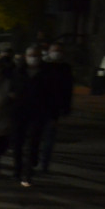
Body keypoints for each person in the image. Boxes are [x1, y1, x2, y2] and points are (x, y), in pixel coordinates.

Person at [11, 45, 51, 187]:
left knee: (33, 143)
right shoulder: (18, 71)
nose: (33, 58)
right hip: (19, 112)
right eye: (31, 55)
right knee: (17, 143)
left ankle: (27, 173)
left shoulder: (46, 73)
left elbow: (52, 93)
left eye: (36, 55)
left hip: (38, 112)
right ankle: (17, 169)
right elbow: (12, 89)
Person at [40, 42, 73, 173]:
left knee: (49, 138)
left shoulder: (65, 68)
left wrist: (65, 107)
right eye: (54, 50)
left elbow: (67, 89)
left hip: (53, 109)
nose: (57, 53)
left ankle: (44, 164)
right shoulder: (42, 66)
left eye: (59, 51)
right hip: (38, 108)